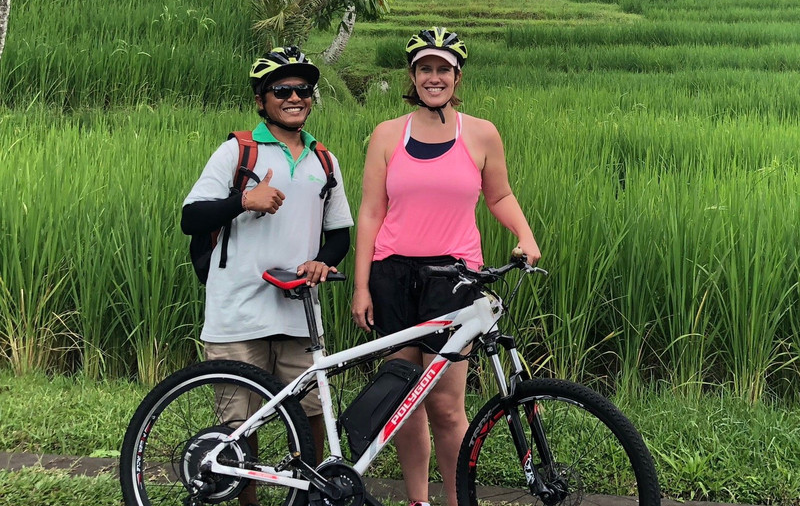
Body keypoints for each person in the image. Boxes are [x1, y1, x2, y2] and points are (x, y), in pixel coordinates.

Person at [351, 27, 540, 506]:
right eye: (425, 69)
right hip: (393, 276)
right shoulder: (387, 134)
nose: (434, 78)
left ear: (457, 77)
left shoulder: (480, 133)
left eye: (443, 70)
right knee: (406, 401)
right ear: (412, 77)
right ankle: (418, 500)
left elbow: (499, 194)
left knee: (447, 405)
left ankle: (456, 501)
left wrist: (525, 235)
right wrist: (361, 286)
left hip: (455, 279)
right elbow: (371, 211)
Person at [181, 45, 353, 503]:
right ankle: (249, 501)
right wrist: (244, 200)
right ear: (261, 99)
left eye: (303, 90)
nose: (295, 98)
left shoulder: (325, 161)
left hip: (298, 313)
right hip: (237, 311)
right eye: (282, 90)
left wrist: (324, 260)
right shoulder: (238, 152)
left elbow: (339, 234)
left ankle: (314, 497)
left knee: (314, 412)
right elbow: (191, 218)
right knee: (241, 425)